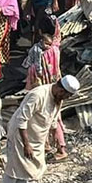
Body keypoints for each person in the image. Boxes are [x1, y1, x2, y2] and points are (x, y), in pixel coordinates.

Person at [1, 76, 79, 183]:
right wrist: (26, 145)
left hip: (36, 139)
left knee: (31, 170)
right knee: (22, 169)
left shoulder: (58, 99)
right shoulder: (38, 95)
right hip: (20, 136)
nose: (66, 99)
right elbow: (21, 120)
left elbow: (53, 119)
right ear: (61, 91)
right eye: (67, 96)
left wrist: (55, 137)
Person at [23, 12, 67, 161]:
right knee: (55, 117)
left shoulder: (40, 52)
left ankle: (53, 146)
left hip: (45, 90)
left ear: (41, 31)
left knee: (43, 117)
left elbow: (35, 73)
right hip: (57, 86)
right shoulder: (56, 47)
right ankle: (56, 146)